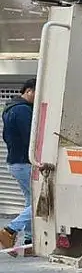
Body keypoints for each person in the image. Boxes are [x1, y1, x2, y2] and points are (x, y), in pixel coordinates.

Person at [1, 78, 34, 256]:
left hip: (15, 162)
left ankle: (29, 241)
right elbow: (32, 138)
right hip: (25, 162)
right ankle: (10, 230)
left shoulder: (10, 108)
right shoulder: (22, 110)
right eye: (37, 92)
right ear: (28, 90)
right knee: (41, 202)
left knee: (31, 200)